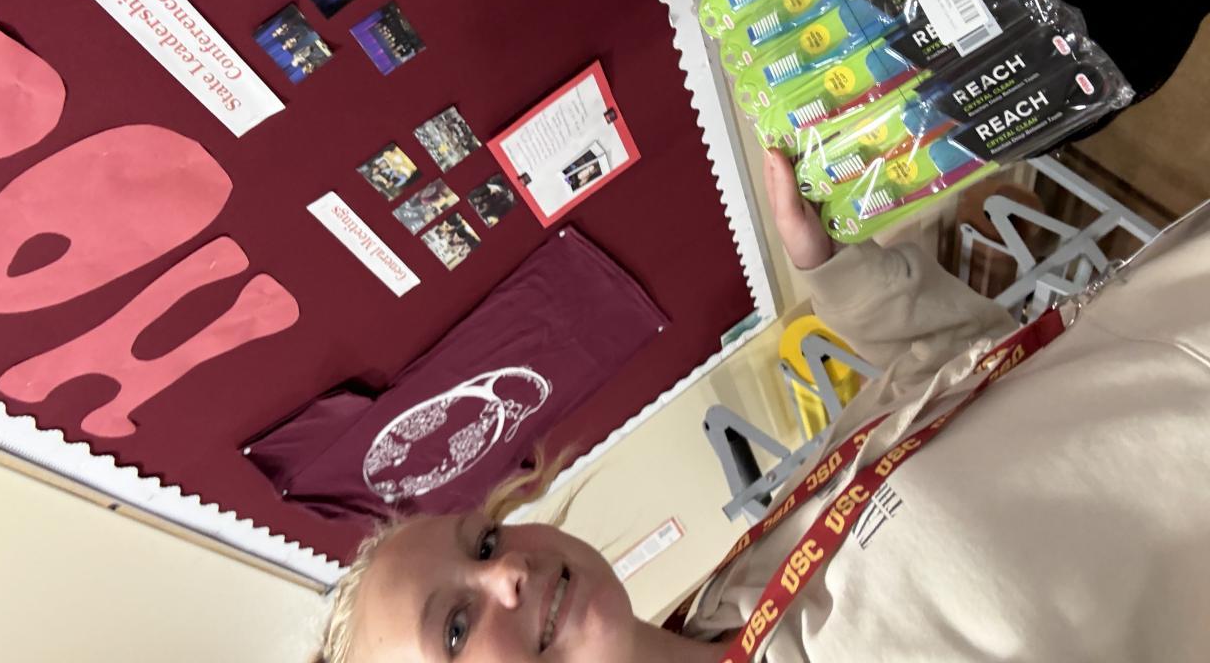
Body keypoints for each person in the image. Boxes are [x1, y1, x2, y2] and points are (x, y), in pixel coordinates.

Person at [309, 149, 1210, 662]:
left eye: (482, 542)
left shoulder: (737, 594)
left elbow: (972, 375)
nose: (505, 573)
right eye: (454, 629)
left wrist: (831, 271)